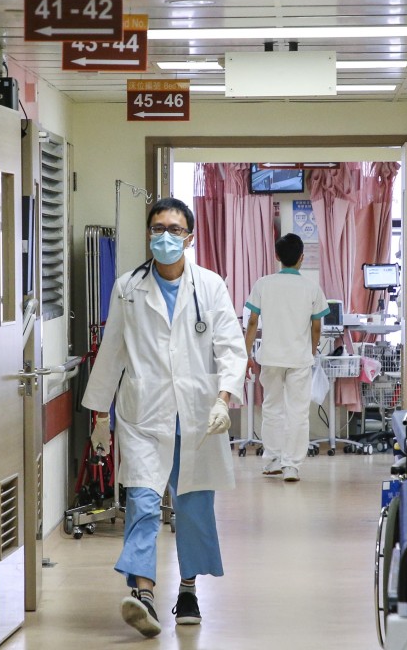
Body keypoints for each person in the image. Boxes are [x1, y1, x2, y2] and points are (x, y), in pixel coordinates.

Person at [82, 198, 247, 638]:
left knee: (193, 507)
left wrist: (223, 398)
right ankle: (143, 593)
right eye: (158, 228)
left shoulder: (210, 286)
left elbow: (231, 347)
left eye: (175, 229)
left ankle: (188, 590)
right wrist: (101, 414)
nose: (166, 236)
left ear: (190, 237)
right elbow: (112, 349)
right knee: (142, 503)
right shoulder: (127, 287)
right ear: (148, 233)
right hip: (143, 414)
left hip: (197, 417)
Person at [244, 233, 329, 483]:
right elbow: (316, 327)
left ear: (277, 257)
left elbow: (251, 322)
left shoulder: (263, 284)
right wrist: (311, 352)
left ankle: (272, 461)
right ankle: (291, 466)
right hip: (299, 358)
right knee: (298, 413)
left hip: (270, 357)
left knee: (271, 409)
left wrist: (245, 354)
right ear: (302, 258)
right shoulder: (311, 288)